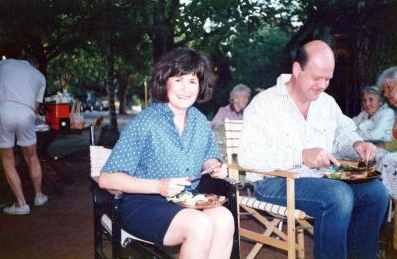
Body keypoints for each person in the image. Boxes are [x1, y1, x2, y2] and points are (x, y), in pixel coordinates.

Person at [238, 40, 389, 259]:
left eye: (328, 79)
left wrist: (357, 144)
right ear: (297, 69)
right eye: (317, 78)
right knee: (338, 195)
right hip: (275, 183)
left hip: (321, 180)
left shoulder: (326, 103)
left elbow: (344, 135)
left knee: (376, 193)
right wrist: (300, 156)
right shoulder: (264, 104)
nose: (323, 85)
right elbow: (248, 157)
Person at [98, 48, 234, 258]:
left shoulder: (199, 120)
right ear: (165, 81)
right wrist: (159, 186)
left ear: (201, 87)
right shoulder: (146, 122)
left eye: (192, 81)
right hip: (144, 203)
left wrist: (213, 166)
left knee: (224, 219)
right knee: (199, 225)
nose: (185, 89)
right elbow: (107, 179)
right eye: (178, 79)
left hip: (187, 199)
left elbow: (209, 155)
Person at [0, 58, 49, 215]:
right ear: (36, 65)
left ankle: (21, 204)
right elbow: (35, 107)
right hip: (26, 113)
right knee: (32, 157)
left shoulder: (2, 64)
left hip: (2, 110)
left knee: (7, 159)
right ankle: (39, 196)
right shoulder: (39, 76)